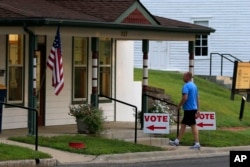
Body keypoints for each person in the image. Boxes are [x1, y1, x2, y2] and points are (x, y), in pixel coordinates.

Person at [169, 72, 200, 149]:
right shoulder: (194, 86)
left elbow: (185, 98)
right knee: (183, 124)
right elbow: (197, 98)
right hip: (193, 108)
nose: (183, 78)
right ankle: (177, 141)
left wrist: (179, 106)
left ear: (187, 77)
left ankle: (197, 143)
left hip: (189, 109)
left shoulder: (186, 86)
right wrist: (198, 109)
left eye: (184, 76)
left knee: (193, 125)